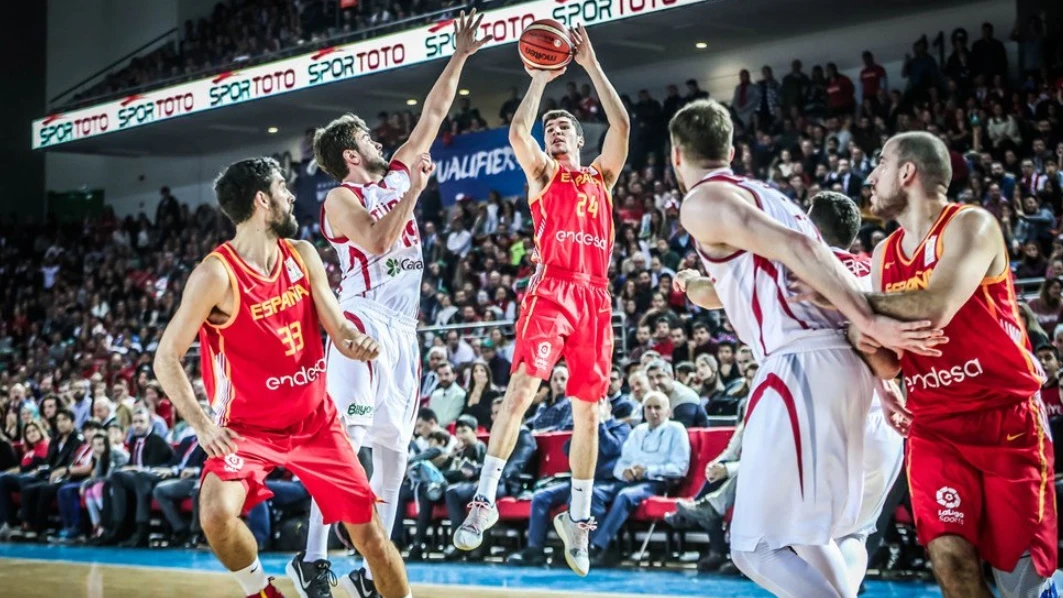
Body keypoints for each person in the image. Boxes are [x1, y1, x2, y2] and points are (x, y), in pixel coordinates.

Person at [667, 99, 940, 598]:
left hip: (800, 360)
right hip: (845, 367)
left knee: (755, 545)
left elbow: (803, 250)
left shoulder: (703, 201)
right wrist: (884, 379)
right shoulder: (772, 196)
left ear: (676, 156)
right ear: (731, 148)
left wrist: (870, 317)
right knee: (820, 536)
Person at [153, 157, 411, 598]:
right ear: (261, 200)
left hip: (316, 423)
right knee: (215, 514)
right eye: (282, 188)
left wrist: (357, 341)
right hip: (248, 428)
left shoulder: (303, 254)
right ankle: (262, 592)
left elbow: (339, 328)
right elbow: (166, 358)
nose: (291, 196)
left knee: (372, 541)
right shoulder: (216, 274)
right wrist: (202, 425)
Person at [305, 12, 490, 598]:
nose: (380, 142)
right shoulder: (340, 197)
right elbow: (380, 241)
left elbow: (433, 115)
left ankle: (369, 567)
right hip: (360, 321)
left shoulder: (397, 170)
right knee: (349, 446)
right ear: (350, 154)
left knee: (394, 456)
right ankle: (313, 559)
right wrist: (413, 192)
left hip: (404, 331)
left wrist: (459, 56)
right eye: (368, 140)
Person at [453, 23, 630, 578]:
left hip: (596, 298)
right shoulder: (544, 173)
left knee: (589, 412)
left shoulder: (602, 175)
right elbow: (516, 134)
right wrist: (539, 80)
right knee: (523, 388)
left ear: (579, 137)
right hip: (552, 289)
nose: (553, 132)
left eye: (563, 127)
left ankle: (578, 521)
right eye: (550, 127)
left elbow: (621, 124)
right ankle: (483, 499)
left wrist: (592, 66)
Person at [855, 132, 1057, 598]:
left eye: (880, 164)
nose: (870, 176)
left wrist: (851, 304)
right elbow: (883, 355)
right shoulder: (885, 254)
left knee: (1022, 583)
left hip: (1005, 418)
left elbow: (936, 305)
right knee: (950, 559)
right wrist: (866, 338)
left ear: (907, 173)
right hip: (935, 424)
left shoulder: (971, 224)